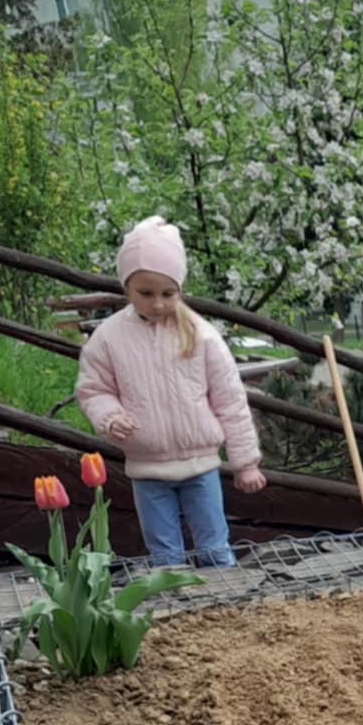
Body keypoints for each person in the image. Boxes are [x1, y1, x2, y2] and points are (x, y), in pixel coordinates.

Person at [75, 216, 265, 567]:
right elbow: (93, 389)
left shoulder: (201, 334)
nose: (158, 303)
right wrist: (109, 416)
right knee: (164, 555)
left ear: (179, 289)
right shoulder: (109, 338)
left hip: (201, 466)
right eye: (145, 293)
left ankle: (227, 597)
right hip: (147, 470)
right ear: (126, 288)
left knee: (214, 547)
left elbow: (230, 400)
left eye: (168, 293)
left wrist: (245, 463)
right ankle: (174, 601)